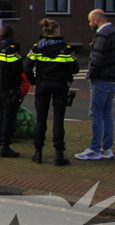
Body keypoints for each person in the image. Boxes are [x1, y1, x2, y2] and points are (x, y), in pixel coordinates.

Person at [25, 18, 79, 166]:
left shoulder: (36, 47)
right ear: (57, 31)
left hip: (43, 85)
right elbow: (75, 69)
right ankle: (58, 154)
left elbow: (27, 67)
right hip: (60, 86)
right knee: (58, 120)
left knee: (41, 119)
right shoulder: (66, 48)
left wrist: (34, 81)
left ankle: (38, 153)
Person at [76, 9, 115, 161]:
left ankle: (94, 149)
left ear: (96, 20)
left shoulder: (102, 34)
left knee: (95, 114)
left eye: (90, 21)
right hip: (114, 78)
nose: (90, 24)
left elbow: (97, 58)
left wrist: (90, 74)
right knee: (106, 113)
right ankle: (106, 148)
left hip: (102, 79)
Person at [0, 24, 23, 158]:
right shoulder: (11, 50)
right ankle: (5, 147)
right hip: (9, 88)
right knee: (8, 117)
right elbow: (18, 69)